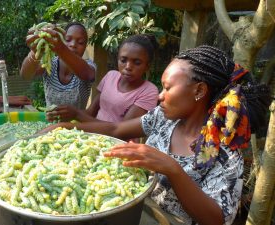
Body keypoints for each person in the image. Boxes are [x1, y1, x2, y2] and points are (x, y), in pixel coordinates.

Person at [40, 45, 271, 225]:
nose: (159, 96)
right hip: (141, 213)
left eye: (167, 88)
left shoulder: (223, 150)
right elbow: (115, 129)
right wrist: (69, 128)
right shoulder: (163, 119)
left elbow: (216, 219)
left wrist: (172, 168)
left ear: (199, 90)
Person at [46, 34, 159, 123]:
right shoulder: (111, 76)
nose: (128, 67)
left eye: (137, 62)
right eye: (123, 60)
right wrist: (63, 114)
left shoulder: (149, 91)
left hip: (119, 145)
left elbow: (122, 130)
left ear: (147, 66)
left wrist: (76, 114)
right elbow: (90, 112)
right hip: (94, 139)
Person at [20, 22, 96, 110]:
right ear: (62, 40)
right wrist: (35, 51)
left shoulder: (89, 66)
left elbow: (87, 74)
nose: (73, 44)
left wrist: (60, 48)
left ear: (85, 46)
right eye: (68, 40)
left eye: (80, 42)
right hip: (50, 122)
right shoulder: (50, 63)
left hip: (77, 124)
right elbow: (25, 75)